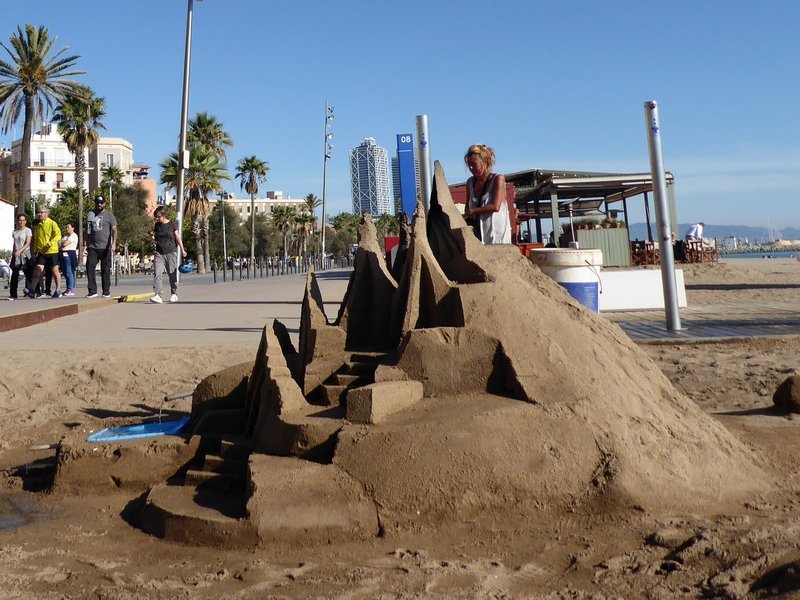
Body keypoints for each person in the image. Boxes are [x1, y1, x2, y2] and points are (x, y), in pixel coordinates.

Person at [463, 144, 511, 244]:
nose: (471, 168)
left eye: (474, 164)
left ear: (485, 163)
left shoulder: (498, 179)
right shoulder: (470, 182)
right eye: (469, 165)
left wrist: (473, 211)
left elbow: (495, 206)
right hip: (477, 236)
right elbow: (467, 206)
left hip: (496, 237)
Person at [150, 206, 186, 304]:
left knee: (172, 274)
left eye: (158, 217)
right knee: (157, 273)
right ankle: (158, 295)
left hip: (171, 252)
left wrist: (182, 250)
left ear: (163, 215)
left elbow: (177, 238)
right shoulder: (157, 225)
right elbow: (155, 236)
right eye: (156, 217)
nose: (157, 219)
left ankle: (174, 293)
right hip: (159, 252)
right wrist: (153, 236)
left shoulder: (172, 224)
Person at [85, 195, 117, 298]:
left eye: (101, 203)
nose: (99, 205)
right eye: (97, 203)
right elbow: (88, 230)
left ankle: (106, 291)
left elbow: (114, 229)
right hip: (93, 246)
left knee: (105, 270)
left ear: (104, 204)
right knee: (90, 267)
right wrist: (86, 244)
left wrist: (113, 243)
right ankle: (92, 291)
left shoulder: (109, 215)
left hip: (105, 247)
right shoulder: (91, 214)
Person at [28, 206, 62, 299]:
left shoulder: (52, 223)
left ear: (47, 214)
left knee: (55, 271)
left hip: (52, 251)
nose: (39, 214)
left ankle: (58, 290)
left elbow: (58, 235)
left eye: (41, 212)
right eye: (38, 212)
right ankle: (32, 289)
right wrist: (35, 251)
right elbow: (36, 240)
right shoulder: (38, 226)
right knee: (37, 270)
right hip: (42, 252)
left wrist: (49, 244)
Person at [8, 213, 32, 300]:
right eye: (20, 220)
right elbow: (14, 243)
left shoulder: (27, 230)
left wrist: (20, 251)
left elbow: (28, 243)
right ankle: (13, 294)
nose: (21, 222)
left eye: (23, 220)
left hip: (25, 253)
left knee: (28, 273)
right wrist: (13, 252)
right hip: (16, 254)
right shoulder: (15, 231)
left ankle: (33, 291)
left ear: (25, 221)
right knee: (14, 274)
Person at [59, 222, 79, 296]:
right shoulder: (65, 236)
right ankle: (68, 288)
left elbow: (64, 244)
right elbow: (59, 243)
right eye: (66, 227)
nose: (67, 229)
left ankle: (70, 289)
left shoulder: (73, 236)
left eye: (68, 227)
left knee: (68, 272)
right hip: (62, 255)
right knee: (64, 272)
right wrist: (61, 244)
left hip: (69, 255)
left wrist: (62, 244)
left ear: (73, 228)